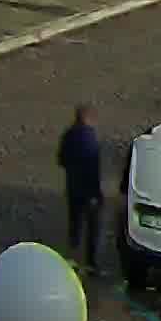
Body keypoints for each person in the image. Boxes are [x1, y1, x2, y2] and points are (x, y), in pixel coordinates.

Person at [58, 105, 103, 266]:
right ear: (89, 119)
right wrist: (95, 194)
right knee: (93, 228)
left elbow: (61, 160)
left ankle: (72, 257)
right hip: (89, 191)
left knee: (75, 224)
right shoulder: (91, 139)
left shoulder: (68, 135)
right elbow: (93, 169)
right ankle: (91, 263)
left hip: (72, 188)